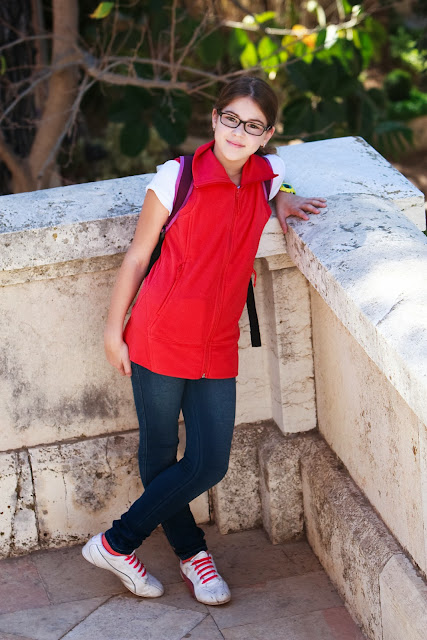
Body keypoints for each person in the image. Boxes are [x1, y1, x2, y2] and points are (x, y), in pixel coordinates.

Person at [82, 76, 326, 605]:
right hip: (159, 332)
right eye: (231, 119)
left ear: (268, 134)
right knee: (160, 451)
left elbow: (276, 185)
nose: (239, 133)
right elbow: (137, 256)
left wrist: (285, 201)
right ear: (215, 119)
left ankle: (115, 542)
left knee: (210, 460)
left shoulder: (269, 176)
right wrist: (112, 331)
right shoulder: (177, 177)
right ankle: (192, 554)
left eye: (253, 126)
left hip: (217, 339)